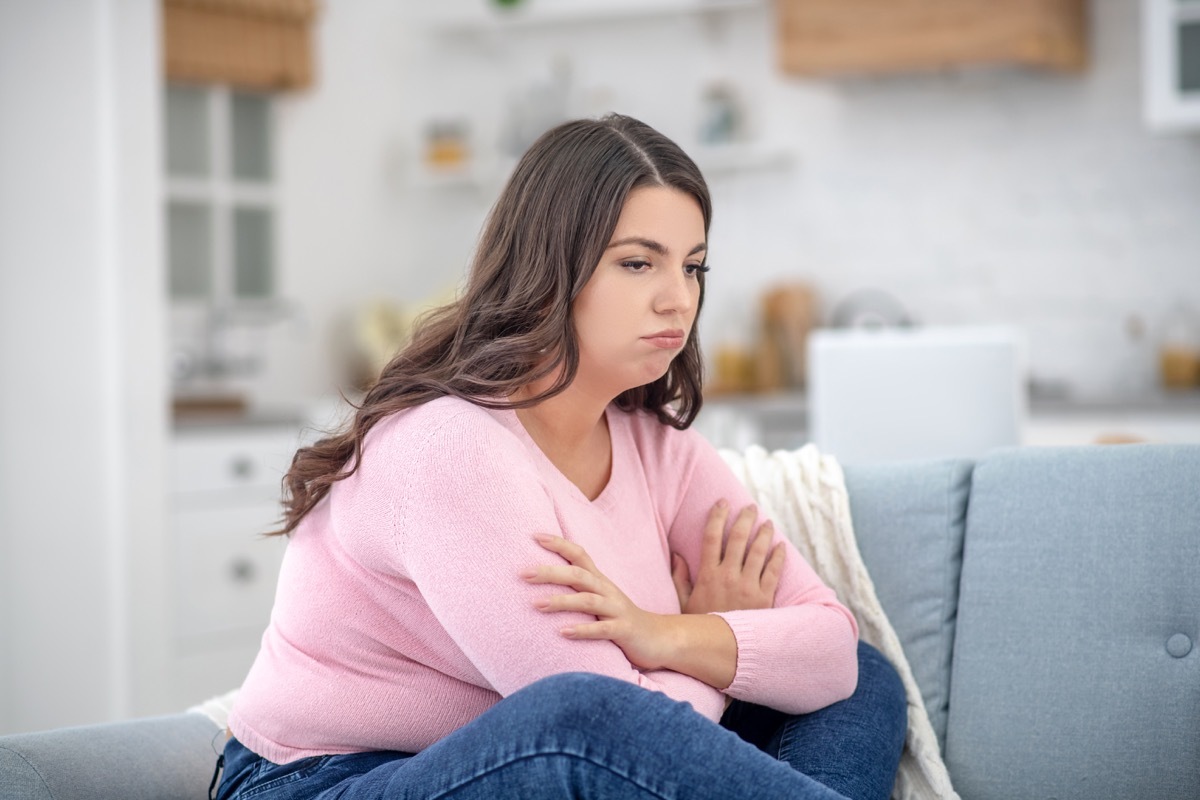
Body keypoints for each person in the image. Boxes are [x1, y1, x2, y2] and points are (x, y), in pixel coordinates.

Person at [215, 113, 906, 800]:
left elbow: (828, 654)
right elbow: (608, 729)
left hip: (546, 756)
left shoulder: (656, 444)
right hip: (330, 778)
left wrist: (672, 635)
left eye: (692, 267)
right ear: (552, 267)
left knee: (862, 676)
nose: (679, 299)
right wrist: (720, 646)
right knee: (581, 718)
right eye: (638, 263)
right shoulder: (451, 447)